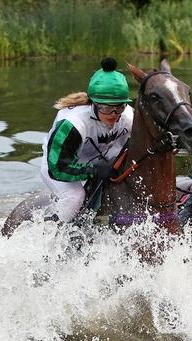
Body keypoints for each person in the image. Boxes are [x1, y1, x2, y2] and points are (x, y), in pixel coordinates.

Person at [41, 58, 133, 224]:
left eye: (119, 107)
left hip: (104, 164)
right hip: (60, 167)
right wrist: (93, 171)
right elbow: (57, 168)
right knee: (75, 197)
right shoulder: (73, 124)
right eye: (106, 107)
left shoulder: (128, 116)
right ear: (94, 104)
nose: (113, 114)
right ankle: (53, 236)